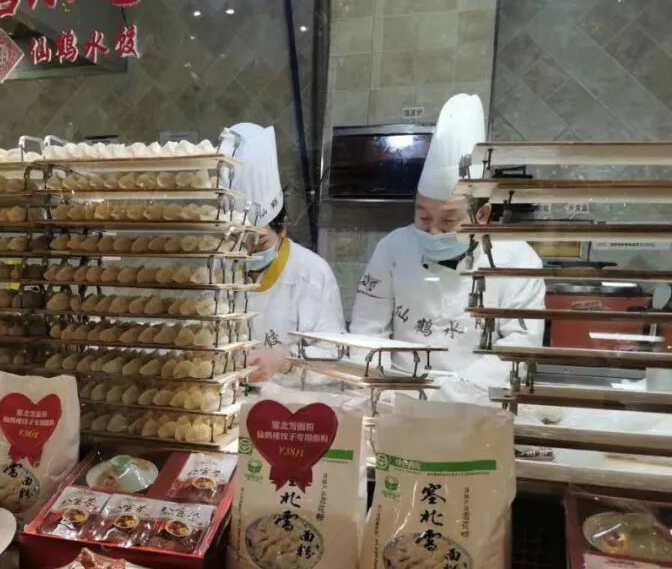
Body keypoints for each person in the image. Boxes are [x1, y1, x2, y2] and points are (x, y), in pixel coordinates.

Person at [349, 94, 545, 391]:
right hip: (397, 391)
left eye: (448, 220)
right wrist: (378, 388)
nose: (432, 231)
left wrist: (452, 394)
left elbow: (519, 347)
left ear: (482, 215)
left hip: (477, 399)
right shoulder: (392, 249)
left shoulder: (519, 261)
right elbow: (366, 331)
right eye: (423, 217)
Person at [230, 123, 346, 385]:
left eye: (259, 241)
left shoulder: (312, 272)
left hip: (287, 402)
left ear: (283, 227)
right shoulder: (219, 267)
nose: (247, 252)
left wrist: (286, 361)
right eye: (238, 241)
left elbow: (333, 354)